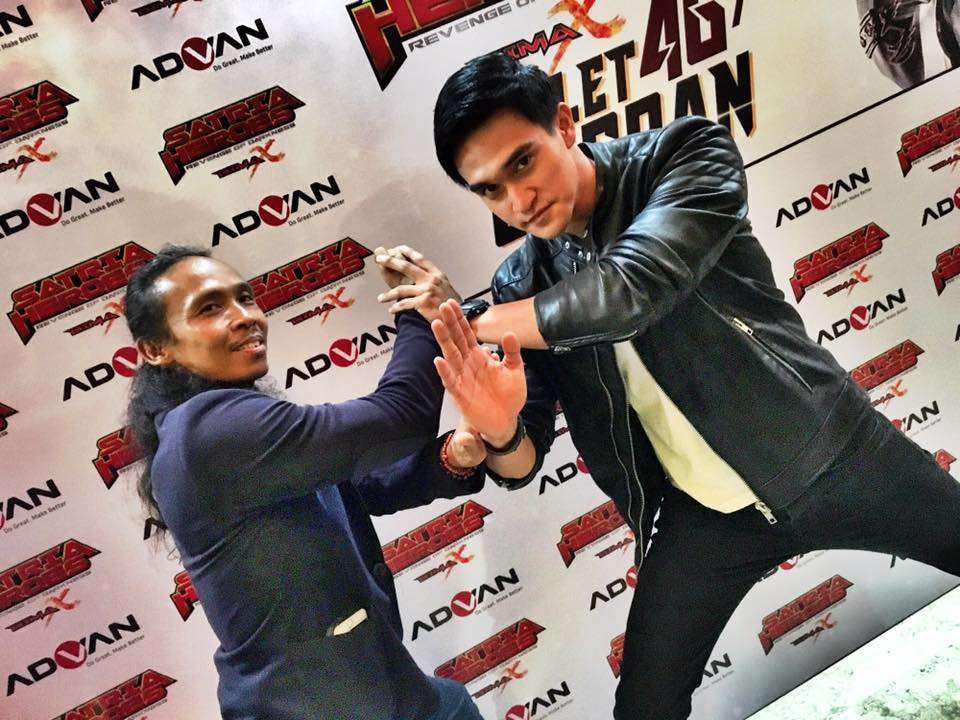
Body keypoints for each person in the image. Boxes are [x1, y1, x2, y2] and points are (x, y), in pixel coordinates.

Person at [375, 53, 960, 719]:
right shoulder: (521, 284)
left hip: (831, 451)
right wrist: (501, 429)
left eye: (522, 162)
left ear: (563, 125)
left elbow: (631, 290)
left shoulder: (683, 154)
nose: (518, 201)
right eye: (489, 190)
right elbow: (522, 462)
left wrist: (467, 320)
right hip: (703, 518)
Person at [124, 244, 493, 720]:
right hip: (314, 704)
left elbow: (352, 488)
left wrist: (451, 459)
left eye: (245, 298)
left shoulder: (221, 422)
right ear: (156, 350)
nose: (245, 317)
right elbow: (401, 417)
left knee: (452, 704)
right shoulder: (207, 431)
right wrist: (424, 313)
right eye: (210, 308)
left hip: (374, 688)